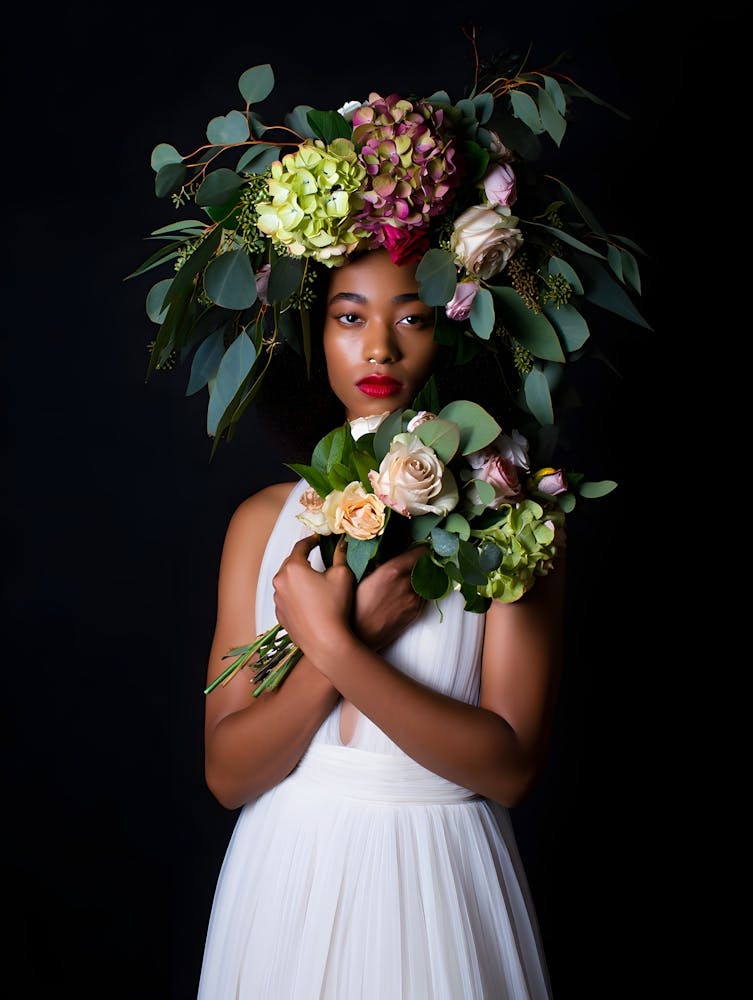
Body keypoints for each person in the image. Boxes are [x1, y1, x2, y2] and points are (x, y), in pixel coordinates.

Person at [197, 246, 564, 998]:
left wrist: (334, 642)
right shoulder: (259, 522)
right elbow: (228, 775)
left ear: (456, 327)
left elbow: (510, 768)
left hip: (439, 878)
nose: (378, 347)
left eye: (412, 317)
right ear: (311, 333)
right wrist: (348, 638)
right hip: (283, 877)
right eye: (348, 317)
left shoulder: (514, 515)